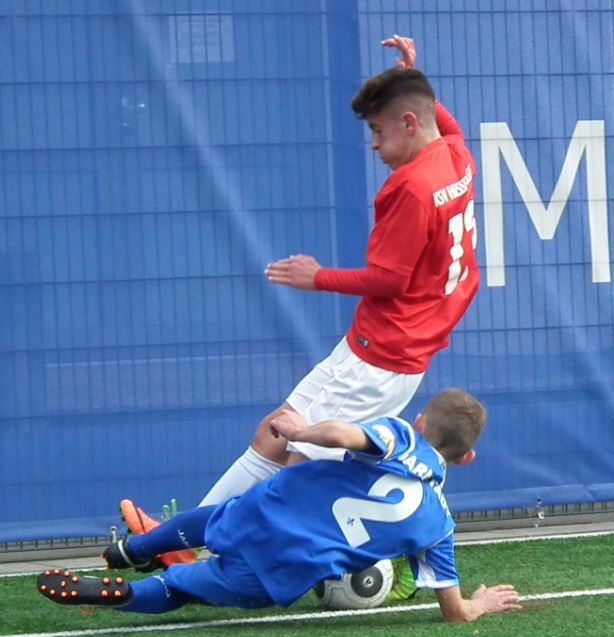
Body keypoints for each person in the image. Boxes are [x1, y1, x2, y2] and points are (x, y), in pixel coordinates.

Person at [119, 36, 480, 601]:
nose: (374, 145)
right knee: (279, 437)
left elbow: (390, 280)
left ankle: (224, 556)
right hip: (386, 349)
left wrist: (318, 277)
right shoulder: (456, 154)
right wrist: (413, 75)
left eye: (378, 131)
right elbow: (438, 119)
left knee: (295, 461)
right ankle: (193, 540)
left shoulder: (410, 186)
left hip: (381, 354)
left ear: (409, 123)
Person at [38, 389, 521, 623]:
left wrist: (299, 432)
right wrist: (478, 604)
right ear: (467, 458)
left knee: (209, 520)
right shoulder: (440, 526)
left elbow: (340, 435)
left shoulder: (401, 437)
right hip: (283, 569)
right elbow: (454, 612)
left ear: (419, 422)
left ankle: (131, 549)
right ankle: (120, 593)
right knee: (180, 587)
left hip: (264, 512)